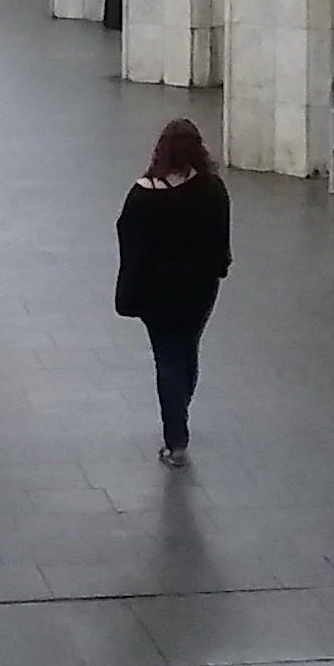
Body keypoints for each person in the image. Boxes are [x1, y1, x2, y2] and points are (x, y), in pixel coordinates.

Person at [109, 116, 231, 459]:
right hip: (199, 291)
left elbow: (129, 244)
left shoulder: (142, 197)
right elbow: (220, 239)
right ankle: (181, 403)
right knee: (188, 348)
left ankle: (175, 436)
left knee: (166, 356)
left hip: (155, 295)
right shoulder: (212, 189)